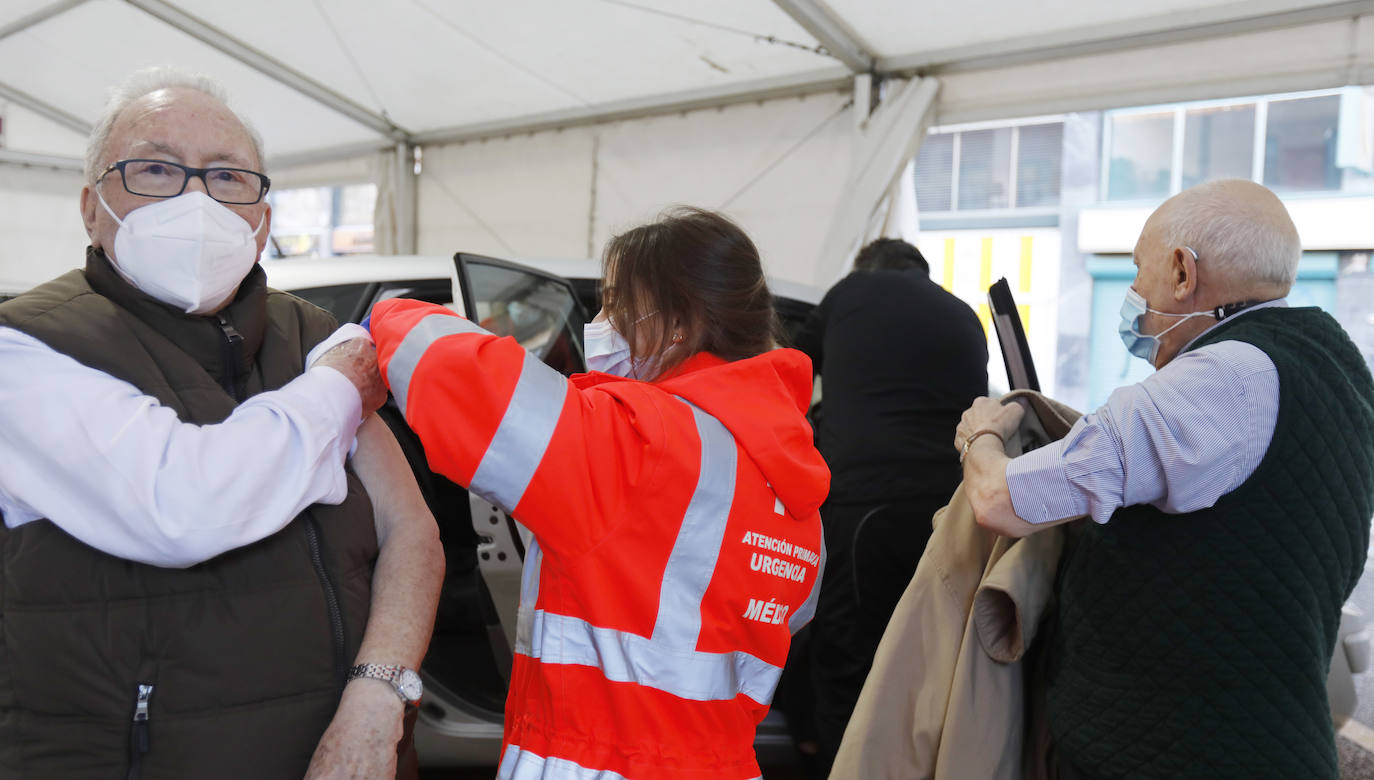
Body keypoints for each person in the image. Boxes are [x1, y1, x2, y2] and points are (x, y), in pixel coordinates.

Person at [0, 67, 444, 779]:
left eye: (229, 178)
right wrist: (334, 390)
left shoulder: (312, 335)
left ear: (263, 220)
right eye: (154, 168)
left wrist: (378, 699)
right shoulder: (25, 348)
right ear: (91, 207)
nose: (196, 198)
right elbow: (182, 504)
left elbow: (411, 532)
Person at [367, 207, 830, 779]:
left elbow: (456, 374)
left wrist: (383, 318)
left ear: (678, 319)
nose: (602, 320)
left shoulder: (641, 440)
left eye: (617, 303)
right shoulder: (795, 490)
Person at [957, 179, 1374, 778]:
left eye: (1137, 269)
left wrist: (983, 436)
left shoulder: (1221, 378)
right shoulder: (1330, 358)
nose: (1132, 292)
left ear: (1182, 272)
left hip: (1180, 753)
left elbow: (1001, 500)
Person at [791, 237, 987, 774]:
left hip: (867, 508)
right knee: (931, 661)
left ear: (866, 268)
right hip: (956, 511)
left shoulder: (850, 293)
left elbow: (787, 374)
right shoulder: (964, 314)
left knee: (849, 660)